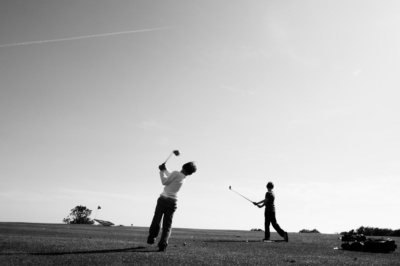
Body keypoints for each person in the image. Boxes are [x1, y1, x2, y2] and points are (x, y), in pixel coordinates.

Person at [147, 161, 197, 251]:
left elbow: (165, 181)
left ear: (183, 166)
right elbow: (172, 176)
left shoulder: (176, 173)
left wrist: (161, 171)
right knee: (167, 224)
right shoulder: (183, 177)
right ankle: (163, 244)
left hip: (163, 199)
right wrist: (165, 169)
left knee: (157, 219)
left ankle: (151, 238)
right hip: (173, 202)